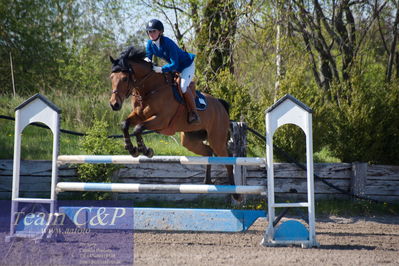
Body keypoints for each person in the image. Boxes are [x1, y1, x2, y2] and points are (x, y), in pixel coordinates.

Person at [144, 19, 200, 125]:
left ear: (160, 32)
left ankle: (194, 113)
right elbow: (148, 57)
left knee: (183, 86)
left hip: (186, 65)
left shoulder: (168, 43)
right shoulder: (150, 44)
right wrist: (146, 63)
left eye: (153, 31)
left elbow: (175, 64)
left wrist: (161, 69)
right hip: (175, 68)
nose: (151, 34)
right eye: (149, 31)